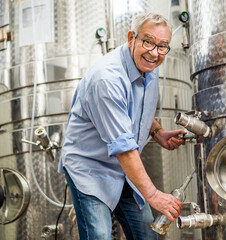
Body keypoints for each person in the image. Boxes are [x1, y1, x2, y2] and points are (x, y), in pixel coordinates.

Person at [58, 12, 186, 240]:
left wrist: (158, 133)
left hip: (124, 169)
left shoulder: (149, 66)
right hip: (91, 167)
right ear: (131, 38)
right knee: (99, 235)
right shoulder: (107, 79)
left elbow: (136, 110)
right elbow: (124, 149)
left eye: (163, 46)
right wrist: (154, 195)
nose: (154, 52)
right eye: (148, 41)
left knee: (146, 233)